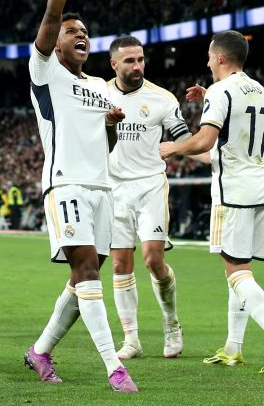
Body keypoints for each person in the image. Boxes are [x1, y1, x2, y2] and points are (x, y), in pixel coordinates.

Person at [23, 0, 138, 394]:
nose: (81, 35)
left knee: (81, 278)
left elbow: (105, 147)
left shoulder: (100, 89)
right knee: (88, 272)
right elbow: (52, 14)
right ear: (57, 42)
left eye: (86, 32)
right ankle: (115, 367)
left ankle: (40, 351)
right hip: (66, 185)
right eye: (73, 31)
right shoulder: (45, 71)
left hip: (101, 188)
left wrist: (110, 124)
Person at [160, 30, 264, 374]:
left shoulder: (221, 91)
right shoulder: (260, 90)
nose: (207, 62)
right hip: (258, 184)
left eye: (210, 56)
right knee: (238, 269)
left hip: (233, 190)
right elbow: (228, 139)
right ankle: (233, 348)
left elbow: (205, 141)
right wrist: (210, 97)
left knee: (237, 272)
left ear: (221, 57)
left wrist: (171, 148)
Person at [105, 35, 191, 360]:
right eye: (130, 61)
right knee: (119, 264)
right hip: (114, 188)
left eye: (140, 59)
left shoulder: (162, 98)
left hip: (150, 185)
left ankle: (171, 323)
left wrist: (202, 152)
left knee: (154, 260)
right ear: (114, 64)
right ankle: (131, 339)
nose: (137, 66)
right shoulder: (100, 95)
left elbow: (184, 139)